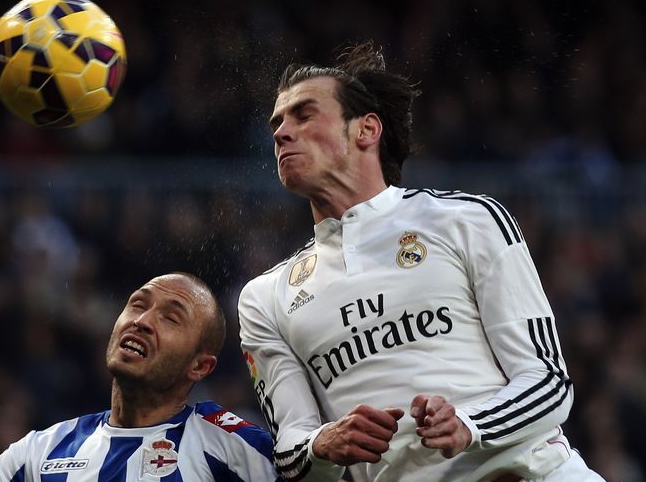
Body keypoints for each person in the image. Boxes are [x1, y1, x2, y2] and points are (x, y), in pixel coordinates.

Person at [237, 42, 605, 482]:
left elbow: (547, 383)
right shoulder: (264, 299)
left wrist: (470, 425)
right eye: (276, 122)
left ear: (366, 130)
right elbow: (292, 451)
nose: (280, 132)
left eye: (303, 114)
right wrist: (322, 443)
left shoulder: (466, 220)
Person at [0, 272, 279, 481]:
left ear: (199, 366)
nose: (142, 320)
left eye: (171, 318)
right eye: (137, 304)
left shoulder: (233, 447)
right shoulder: (37, 454)